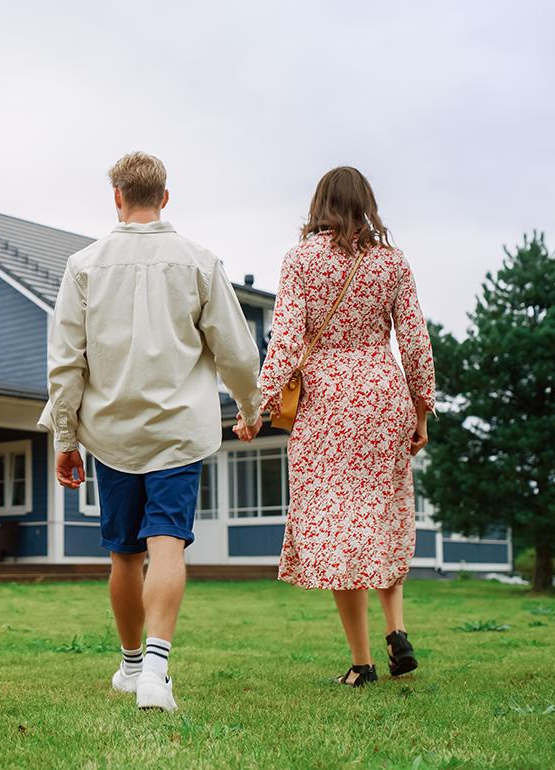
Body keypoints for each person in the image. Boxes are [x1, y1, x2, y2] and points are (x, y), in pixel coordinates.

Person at [40, 152, 262, 711]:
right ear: (165, 197)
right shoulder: (199, 261)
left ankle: (132, 665)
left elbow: (66, 365)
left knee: (123, 555)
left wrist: (65, 440)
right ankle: (155, 674)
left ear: (117, 196)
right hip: (179, 432)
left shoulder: (83, 266)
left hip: (112, 434)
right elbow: (236, 351)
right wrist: (250, 406)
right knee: (168, 544)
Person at [247, 167, 435, 687]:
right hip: (383, 395)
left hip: (327, 402)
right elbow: (415, 343)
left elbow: (284, 341)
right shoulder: (392, 263)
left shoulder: (301, 259)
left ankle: (362, 662)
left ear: (320, 205)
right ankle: (397, 629)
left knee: (339, 529)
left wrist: (258, 403)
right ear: (367, 205)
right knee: (384, 515)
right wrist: (421, 409)